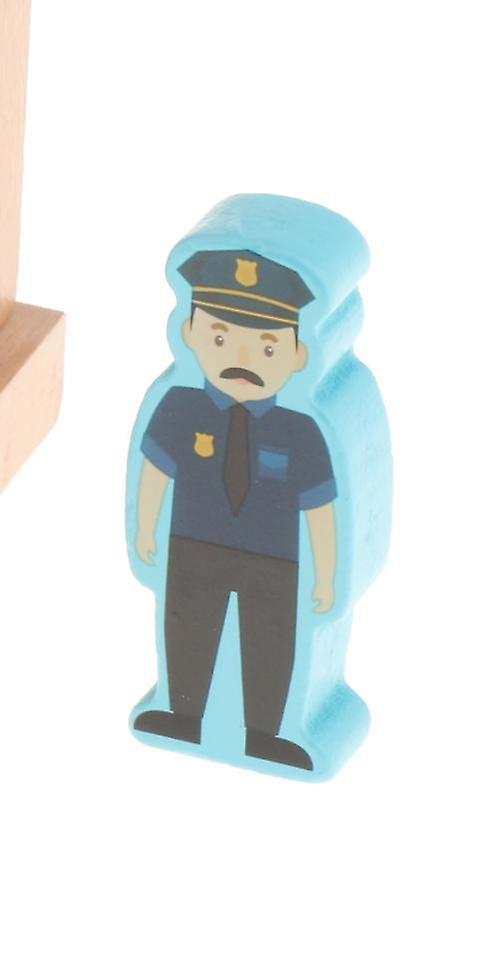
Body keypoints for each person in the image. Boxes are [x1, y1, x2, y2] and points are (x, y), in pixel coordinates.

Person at [131, 248, 336, 770]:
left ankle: (267, 735)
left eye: (267, 348)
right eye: (221, 339)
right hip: (193, 545)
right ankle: (182, 716)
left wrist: (327, 575)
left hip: (274, 560)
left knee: (271, 641)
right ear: (190, 334)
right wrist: (144, 530)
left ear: (299, 355)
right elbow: (155, 472)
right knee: (188, 626)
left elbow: (320, 508)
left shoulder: (302, 430)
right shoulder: (181, 407)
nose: (242, 360)